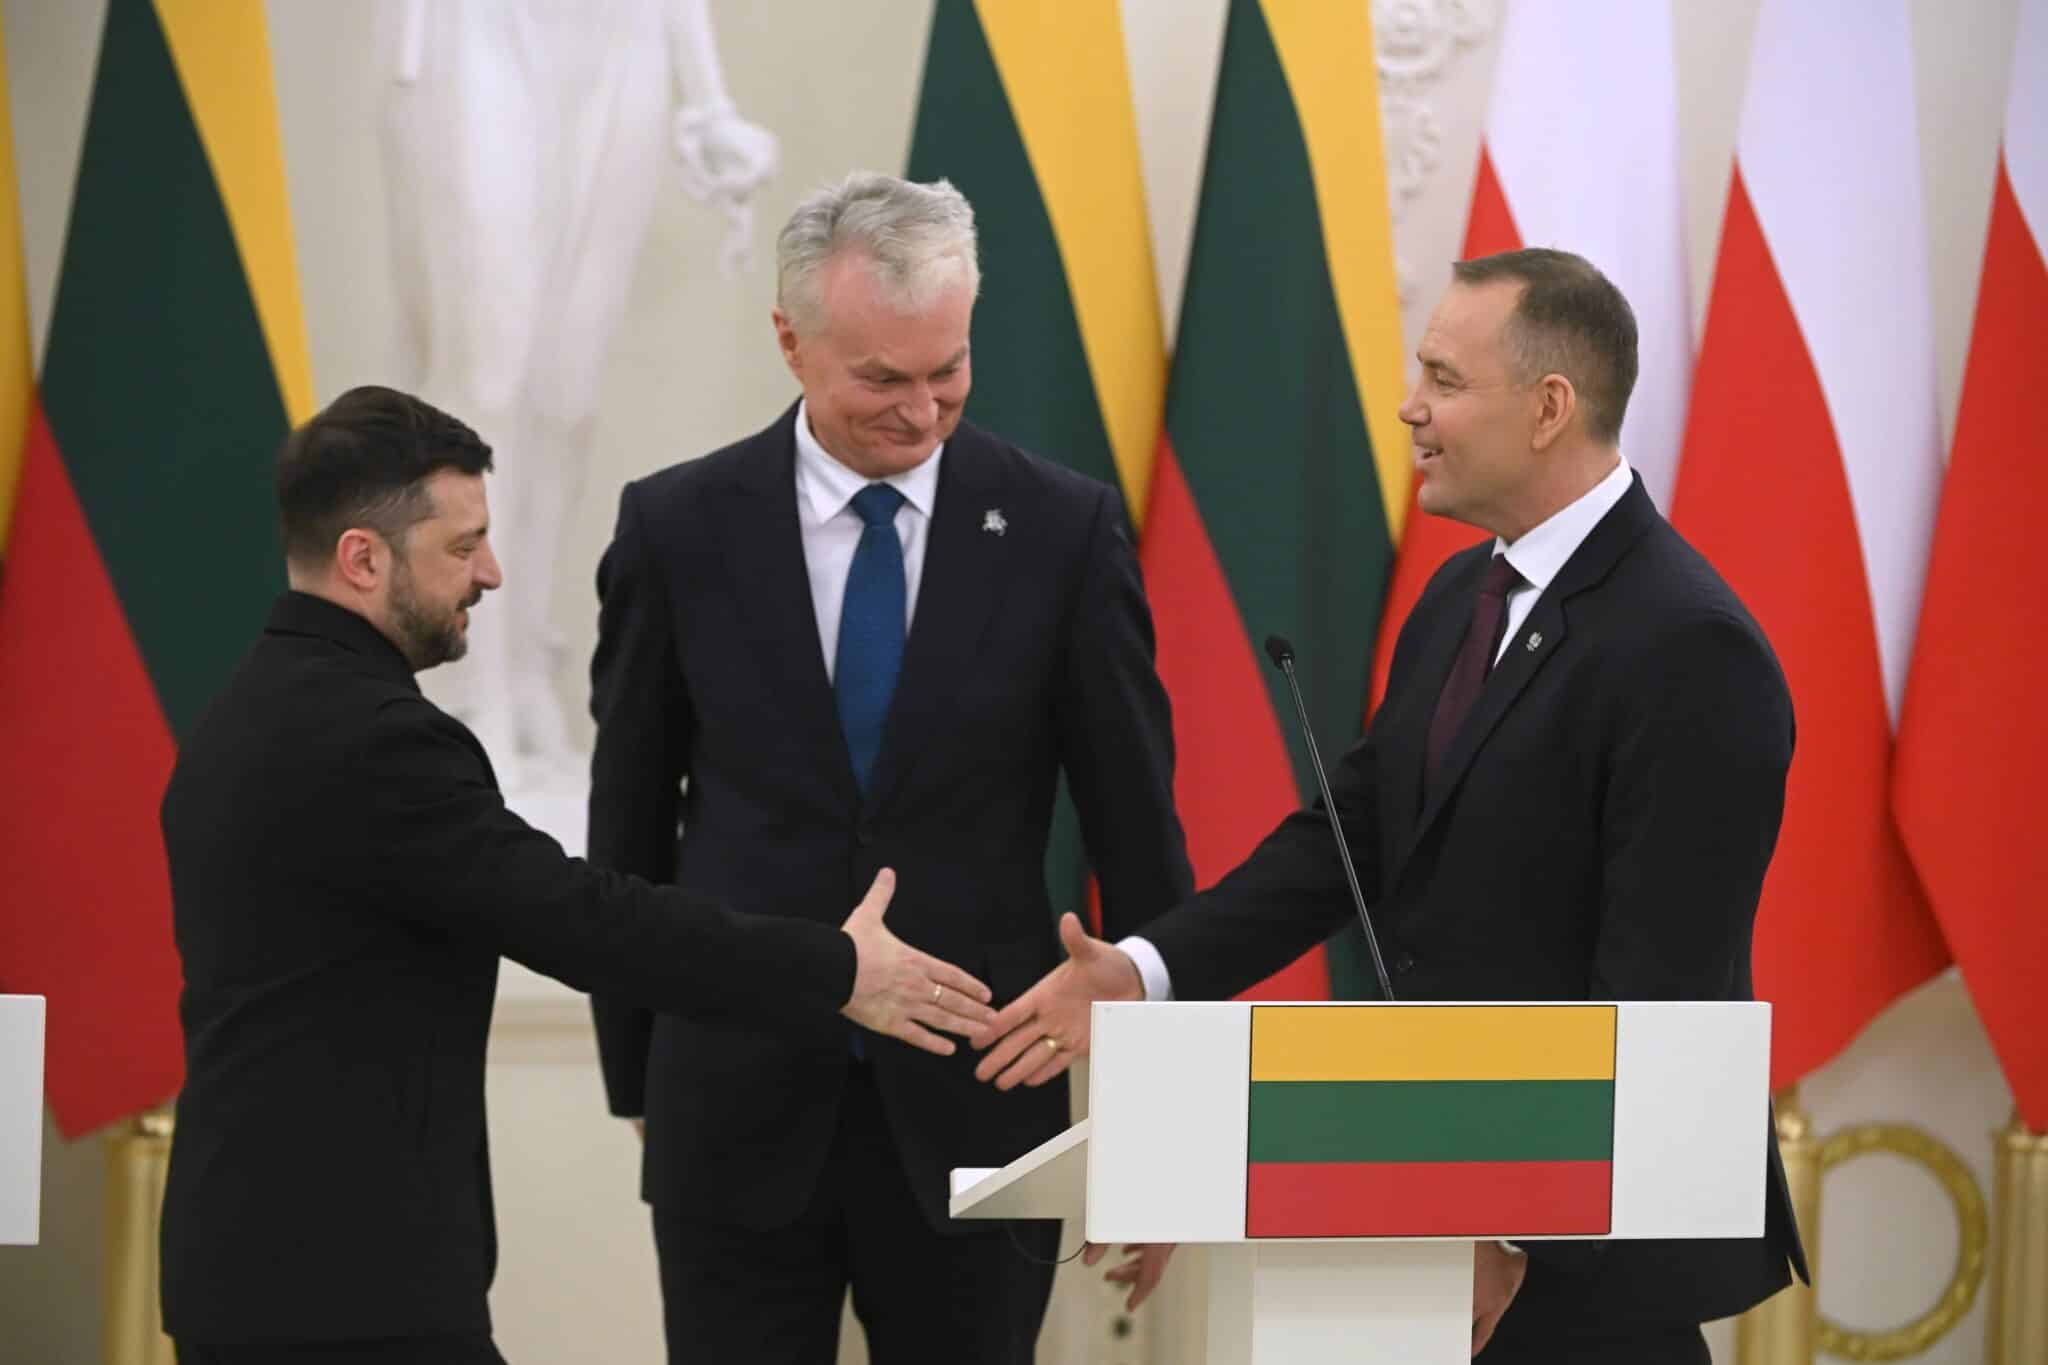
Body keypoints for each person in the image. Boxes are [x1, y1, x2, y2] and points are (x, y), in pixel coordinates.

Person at [973, 249, 1810, 1363]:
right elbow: (1348, 841)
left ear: (1548, 407)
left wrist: (1514, 1232)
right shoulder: (1464, 592)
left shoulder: (1687, 646)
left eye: (1443, 381)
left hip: (1581, 1271)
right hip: (1419, 1221)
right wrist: (1143, 969)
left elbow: (1654, 1005)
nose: (1410, 409)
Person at [158, 385, 994, 1364]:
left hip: (244, 1266)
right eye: (462, 546)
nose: (493, 574)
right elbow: (584, 921)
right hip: (348, 1285)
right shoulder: (381, 745)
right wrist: (838, 971)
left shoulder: (234, 719)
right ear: (362, 558)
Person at [585, 172, 1192, 1363]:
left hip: (977, 1113)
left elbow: (1138, 833)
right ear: (789, 341)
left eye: (947, 371)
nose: (921, 413)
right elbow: (628, 828)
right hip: (734, 1101)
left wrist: (1167, 1129)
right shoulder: (677, 529)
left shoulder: (1062, 531)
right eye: (880, 379)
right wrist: (641, 1080)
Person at [382, 0, 779, 788]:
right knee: (486, 376)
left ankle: (522, 664)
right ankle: (467, 681)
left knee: (569, 387)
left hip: (624, 32)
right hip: (482, 26)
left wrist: (707, 98)